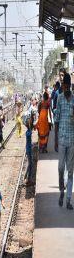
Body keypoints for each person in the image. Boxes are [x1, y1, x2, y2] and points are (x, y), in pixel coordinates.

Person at [55, 72, 74, 210]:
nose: (65, 89)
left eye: (67, 86)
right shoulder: (60, 99)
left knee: (71, 170)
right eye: (64, 86)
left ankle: (68, 199)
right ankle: (62, 189)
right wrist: (55, 139)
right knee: (61, 168)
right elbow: (56, 120)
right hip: (61, 139)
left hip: (72, 140)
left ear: (70, 86)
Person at [24, 115, 34, 185]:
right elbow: (31, 129)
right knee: (31, 164)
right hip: (29, 150)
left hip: (28, 149)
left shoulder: (27, 131)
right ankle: (28, 179)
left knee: (30, 164)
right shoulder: (28, 132)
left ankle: (26, 177)